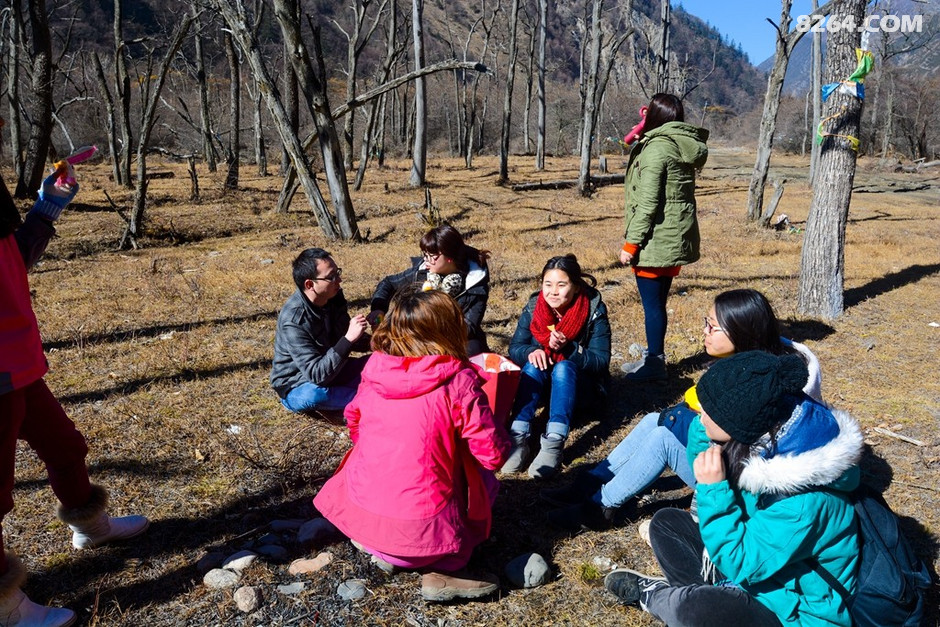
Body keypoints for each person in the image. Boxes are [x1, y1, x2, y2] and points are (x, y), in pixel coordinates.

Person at [604, 350, 863, 627]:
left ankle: (657, 597)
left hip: (795, 612)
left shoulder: (803, 504)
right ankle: (700, 596)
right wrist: (712, 434)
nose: (698, 415)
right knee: (665, 524)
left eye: (707, 411)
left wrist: (713, 489)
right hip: (764, 575)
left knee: (694, 611)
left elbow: (741, 562)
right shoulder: (765, 438)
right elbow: (701, 449)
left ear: (735, 424)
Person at [0, 168, 149, 627]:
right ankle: (6, 607)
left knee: (65, 446)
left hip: (20, 360)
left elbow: (14, 259)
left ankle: (90, 526)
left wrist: (48, 206)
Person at [543, 288, 822, 530]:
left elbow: (745, 448)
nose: (704, 331)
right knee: (655, 420)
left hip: (740, 485)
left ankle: (601, 507)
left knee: (663, 439)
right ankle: (595, 480)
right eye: (706, 322)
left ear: (741, 332)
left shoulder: (764, 384)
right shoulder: (749, 365)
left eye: (712, 326)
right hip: (725, 460)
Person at [314, 288, 511, 602]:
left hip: (364, 527)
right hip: (425, 542)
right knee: (483, 479)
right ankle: (445, 569)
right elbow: (493, 455)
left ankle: (386, 549)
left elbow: (355, 423)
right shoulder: (458, 381)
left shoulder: (375, 367)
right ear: (448, 329)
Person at [619, 93, 709, 382]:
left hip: (655, 241)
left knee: (652, 306)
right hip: (673, 238)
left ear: (654, 117)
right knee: (657, 302)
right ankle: (653, 357)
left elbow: (648, 203)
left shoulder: (658, 148)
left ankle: (654, 365)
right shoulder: (679, 143)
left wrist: (631, 244)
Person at [500, 254, 611, 479]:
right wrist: (532, 351)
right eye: (547, 284)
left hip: (581, 388)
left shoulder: (593, 309)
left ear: (577, 286)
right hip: (543, 385)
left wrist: (570, 349)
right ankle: (518, 437)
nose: (553, 291)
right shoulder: (534, 307)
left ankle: (554, 442)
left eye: (562, 285)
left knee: (564, 367)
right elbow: (516, 348)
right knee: (532, 365)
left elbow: (601, 361)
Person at [270, 248, 370, 414]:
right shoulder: (294, 320)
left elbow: (345, 335)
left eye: (338, 272)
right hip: (299, 384)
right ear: (310, 285)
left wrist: (381, 341)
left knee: (378, 361)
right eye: (331, 277)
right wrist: (348, 340)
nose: (339, 280)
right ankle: (367, 398)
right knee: (315, 395)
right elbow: (317, 375)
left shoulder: (333, 297)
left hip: (335, 369)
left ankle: (362, 394)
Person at [368, 225, 491, 355]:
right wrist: (378, 308)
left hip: (453, 339)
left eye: (431, 255)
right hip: (417, 335)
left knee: (471, 351)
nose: (426, 260)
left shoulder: (475, 282)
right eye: (424, 254)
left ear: (449, 256)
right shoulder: (423, 271)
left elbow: (469, 327)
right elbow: (388, 283)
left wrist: (429, 330)